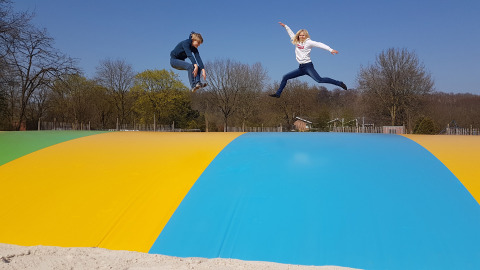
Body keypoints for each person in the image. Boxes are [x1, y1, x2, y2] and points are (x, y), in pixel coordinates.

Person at [269, 22, 347, 98]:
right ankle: (278, 94)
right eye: (300, 35)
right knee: (285, 77)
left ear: (306, 36)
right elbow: (291, 34)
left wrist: (330, 49)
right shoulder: (296, 41)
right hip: (301, 68)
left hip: (308, 67)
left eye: (303, 35)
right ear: (298, 36)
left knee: (319, 80)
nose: (302, 36)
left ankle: (339, 83)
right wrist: (285, 26)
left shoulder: (309, 42)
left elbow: (320, 44)